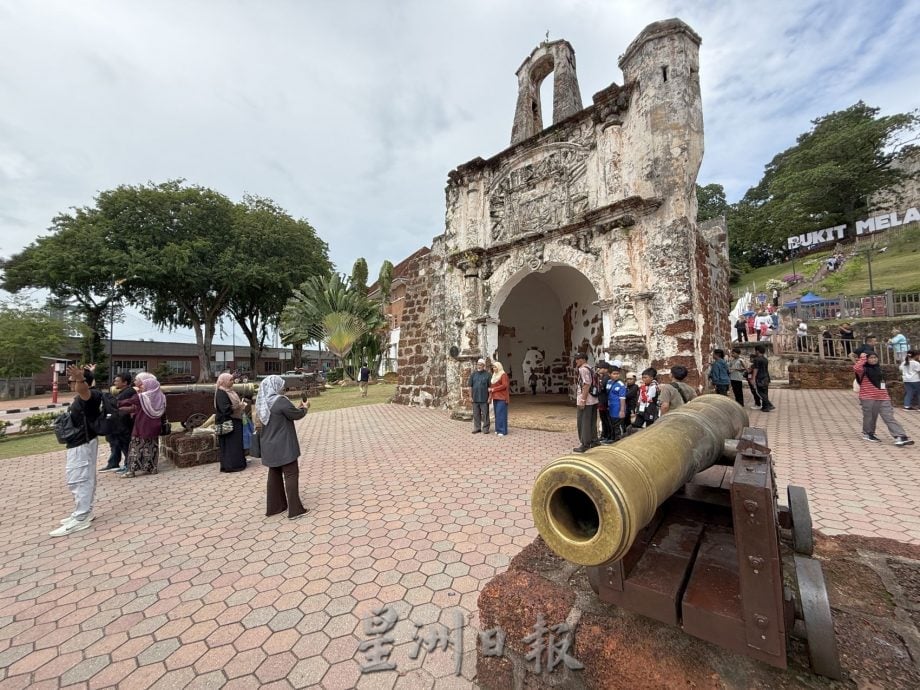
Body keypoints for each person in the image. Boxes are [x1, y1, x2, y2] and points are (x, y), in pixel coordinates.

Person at [49, 364, 104, 537]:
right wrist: (89, 374)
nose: (70, 384)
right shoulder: (90, 394)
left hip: (83, 442)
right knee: (84, 477)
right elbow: (86, 388)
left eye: (73, 381)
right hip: (82, 442)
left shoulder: (88, 396)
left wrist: (81, 378)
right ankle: (84, 511)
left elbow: (84, 390)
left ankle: (81, 517)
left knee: (79, 479)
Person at [257, 375, 311, 518]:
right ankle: (295, 510)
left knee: (274, 475)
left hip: (269, 445)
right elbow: (295, 414)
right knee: (291, 474)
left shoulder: (263, 402)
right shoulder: (280, 401)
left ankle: (275, 507)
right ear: (275, 386)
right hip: (284, 445)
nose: (283, 388)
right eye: (281, 385)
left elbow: (286, 413)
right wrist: (304, 408)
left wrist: (297, 408)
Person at [854, 352, 913, 446]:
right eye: (871, 358)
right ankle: (868, 433)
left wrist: (886, 395)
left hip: (883, 397)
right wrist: (864, 357)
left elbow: (882, 384)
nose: (873, 359)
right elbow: (856, 367)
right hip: (868, 397)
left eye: (875, 357)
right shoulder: (863, 370)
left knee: (889, 417)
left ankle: (900, 436)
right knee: (870, 417)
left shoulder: (879, 370)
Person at [118, 372, 167, 478]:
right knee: (152, 447)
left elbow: (127, 401)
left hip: (141, 426)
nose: (141, 386)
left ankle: (131, 471)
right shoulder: (161, 397)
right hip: (155, 427)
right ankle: (152, 467)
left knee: (135, 448)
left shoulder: (142, 397)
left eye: (144, 384)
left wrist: (115, 404)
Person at [100, 372, 135, 473]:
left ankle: (129, 465)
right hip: (118, 423)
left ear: (125, 382)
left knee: (125, 445)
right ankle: (113, 463)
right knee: (115, 443)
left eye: (117, 380)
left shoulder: (128, 392)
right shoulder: (123, 391)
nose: (114, 382)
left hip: (125, 424)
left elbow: (117, 405)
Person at [214, 372, 246, 473]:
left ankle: (238, 463)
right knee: (229, 445)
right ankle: (231, 466)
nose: (232, 382)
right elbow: (224, 409)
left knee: (236, 444)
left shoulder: (230, 391)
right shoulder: (221, 393)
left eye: (233, 380)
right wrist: (237, 407)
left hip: (235, 420)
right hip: (227, 422)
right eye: (230, 380)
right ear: (223, 382)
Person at [573, 353, 598, 453]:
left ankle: (585, 444)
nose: (576, 361)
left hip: (586, 400)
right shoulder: (590, 368)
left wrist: (583, 400)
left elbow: (586, 385)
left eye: (577, 359)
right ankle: (594, 440)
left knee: (583, 422)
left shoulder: (583, 369)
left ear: (583, 359)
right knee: (592, 421)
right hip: (593, 399)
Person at [604, 365, 628, 442]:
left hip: (618, 408)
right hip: (611, 407)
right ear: (609, 374)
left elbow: (622, 398)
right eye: (614, 373)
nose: (616, 375)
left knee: (618, 426)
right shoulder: (609, 382)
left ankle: (619, 441)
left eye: (617, 373)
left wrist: (622, 410)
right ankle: (613, 439)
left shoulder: (621, 385)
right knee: (612, 424)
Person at [468, 358, 491, 434]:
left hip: (484, 398)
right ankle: (477, 428)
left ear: (484, 366)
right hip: (475, 398)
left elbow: (490, 387)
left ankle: (486, 428)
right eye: (478, 364)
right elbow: (470, 386)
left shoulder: (488, 375)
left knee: (485, 414)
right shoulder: (473, 374)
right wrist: (470, 396)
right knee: (476, 414)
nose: (479, 366)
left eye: (481, 365)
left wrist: (490, 397)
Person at [750, 345, 774, 412]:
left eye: (755, 350)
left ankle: (769, 404)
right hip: (766, 377)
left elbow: (756, 369)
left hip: (760, 378)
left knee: (759, 392)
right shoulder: (765, 359)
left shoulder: (756, 359)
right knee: (765, 392)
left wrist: (753, 379)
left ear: (757, 351)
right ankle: (765, 407)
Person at [489, 361, 510, 436]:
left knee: (501, 413)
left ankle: (502, 431)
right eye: (493, 367)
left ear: (499, 367)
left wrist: (494, 389)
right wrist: (490, 392)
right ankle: (498, 429)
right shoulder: (494, 375)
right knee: (497, 414)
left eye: (495, 367)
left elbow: (504, 385)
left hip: (502, 397)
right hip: (495, 397)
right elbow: (492, 386)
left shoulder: (503, 375)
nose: (494, 368)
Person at [595, 361, 612, 443]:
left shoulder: (606, 378)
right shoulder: (603, 377)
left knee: (606, 419)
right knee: (603, 419)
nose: (598, 369)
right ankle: (604, 435)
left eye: (600, 368)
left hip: (604, 401)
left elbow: (601, 388)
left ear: (605, 369)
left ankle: (608, 436)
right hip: (602, 400)